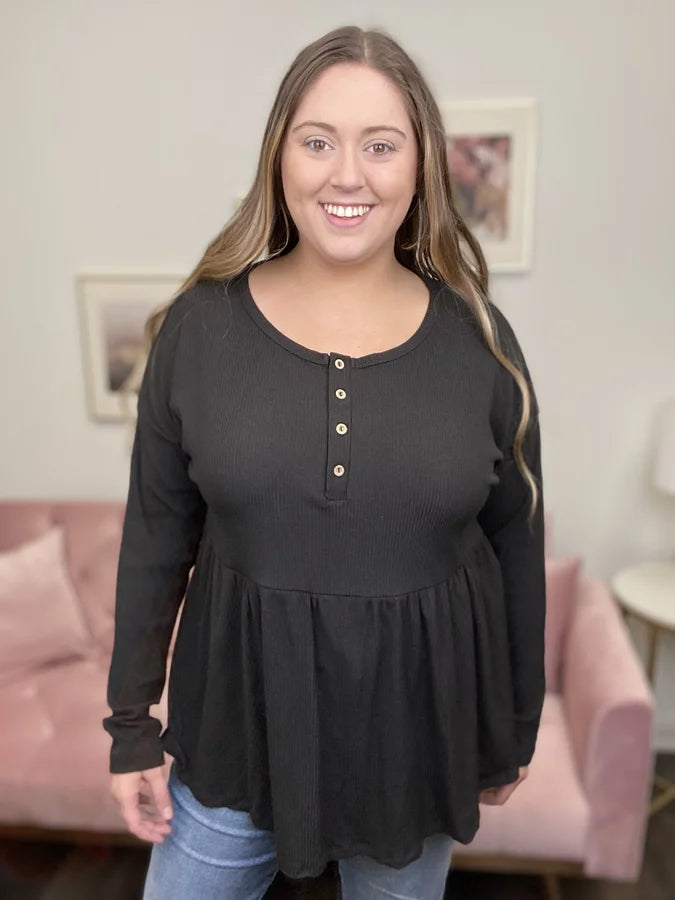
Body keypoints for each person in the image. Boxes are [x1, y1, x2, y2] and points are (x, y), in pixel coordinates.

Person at [102, 24, 546, 900]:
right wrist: (129, 727)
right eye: (317, 142)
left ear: (420, 165)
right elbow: (155, 540)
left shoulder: (481, 343)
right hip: (232, 729)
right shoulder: (200, 328)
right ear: (279, 156)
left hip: (414, 744)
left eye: (380, 145)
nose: (348, 175)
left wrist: (512, 728)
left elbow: (516, 551)